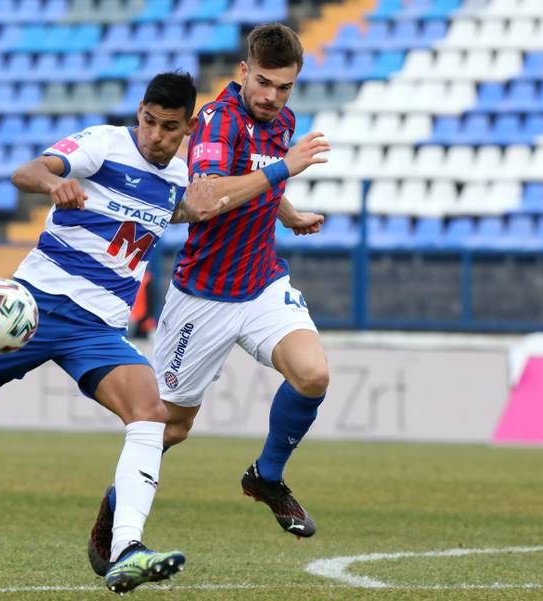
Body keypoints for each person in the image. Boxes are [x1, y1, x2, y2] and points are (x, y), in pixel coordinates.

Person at [0, 71, 233, 595]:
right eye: (148, 121)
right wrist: (55, 183)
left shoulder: (182, 175)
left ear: (188, 127)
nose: (155, 136)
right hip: (31, 308)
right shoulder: (104, 143)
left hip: (96, 326)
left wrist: (248, 198)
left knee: (150, 413)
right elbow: (25, 171)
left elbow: (186, 208)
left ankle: (126, 548)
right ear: (139, 113)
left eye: (169, 128)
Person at [87, 23, 332, 576]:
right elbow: (212, 195)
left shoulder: (281, 122)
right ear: (244, 72)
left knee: (313, 375)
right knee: (169, 428)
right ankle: (115, 504)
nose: (273, 97)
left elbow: (264, 184)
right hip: (204, 297)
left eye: (285, 87)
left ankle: (265, 478)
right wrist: (283, 168)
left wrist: (288, 214)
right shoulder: (219, 120)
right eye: (264, 82)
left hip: (262, 282)